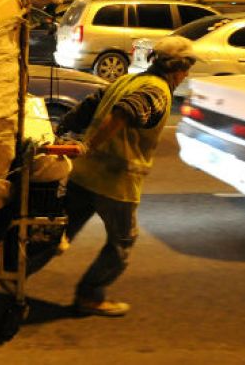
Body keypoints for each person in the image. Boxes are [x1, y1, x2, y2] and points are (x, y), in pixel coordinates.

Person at [57, 35, 199, 317]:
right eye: (187, 69)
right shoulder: (157, 90)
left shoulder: (126, 81)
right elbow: (126, 112)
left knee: (55, 234)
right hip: (116, 183)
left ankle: (10, 272)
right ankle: (90, 295)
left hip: (84, 175)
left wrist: (62, 128)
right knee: (122, 243)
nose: (186, 76)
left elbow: (88, 106)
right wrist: (89, 144)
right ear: (176, 68)